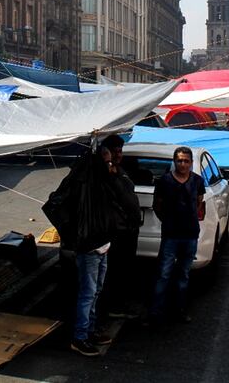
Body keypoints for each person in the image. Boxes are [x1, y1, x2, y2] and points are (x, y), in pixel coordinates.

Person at [41, 146, 119, 357]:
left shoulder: (99, 184)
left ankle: (90, 331)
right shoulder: (82, 185)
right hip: (90, 248)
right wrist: (74, 235)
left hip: (102, 245)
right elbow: (55, 205)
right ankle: (80, 336)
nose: (111, 166)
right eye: (108, 162)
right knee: (88, 293)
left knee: (95, 291)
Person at [149, 146, 205, 325]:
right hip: (171, 236)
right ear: (174, 162)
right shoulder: (164, 181)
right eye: (179, 160)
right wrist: (168, 221)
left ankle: (179, 310)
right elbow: (157, 205)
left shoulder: (197, 181)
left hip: (190, 236)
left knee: (183, 275)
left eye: (186, 161)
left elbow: (199, 202)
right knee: (163, 274)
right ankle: (156, 313)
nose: (183, 164)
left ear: (191, 163)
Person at [99, 134, 143, 320]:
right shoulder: (105, 174)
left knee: (124, 271)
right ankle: (109, 308)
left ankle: (118, 304)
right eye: (114, 151)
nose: (118, 154)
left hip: (129, 231)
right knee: (113, 272)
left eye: (120, 151)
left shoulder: (120, 170)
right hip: (116, 233)